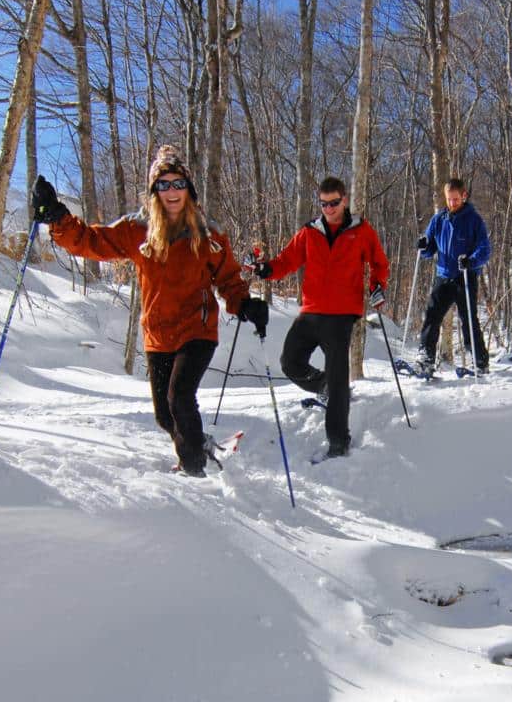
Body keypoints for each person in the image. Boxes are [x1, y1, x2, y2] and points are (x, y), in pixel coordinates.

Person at [33, 145, 267, 477]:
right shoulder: (137, 230)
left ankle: (194, 471)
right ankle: (197, 443)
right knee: (165, 415)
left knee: (180, 398)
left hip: (197, 330)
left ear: (189, 188)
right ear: (154, 191)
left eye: (178, 183)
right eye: (164, 185)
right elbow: (90, 241)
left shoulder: (208, 233)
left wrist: (244, 304)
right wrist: (57, 217)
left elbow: (228, 278)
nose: (172, 192)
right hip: (158, 335)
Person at [254, 176, 389, 459]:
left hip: (341, 314)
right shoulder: (309, 231)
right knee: (290, 362)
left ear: (345, 200)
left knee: (339, 376)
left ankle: (338, 442)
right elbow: (287, 260)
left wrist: (378, 285)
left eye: (334, 203)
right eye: (324, 204)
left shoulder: (361, 230)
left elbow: (379, 263)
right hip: (311, 310)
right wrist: (267, 269)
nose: (329, 209)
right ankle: (323, 385)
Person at [413, 177, 491, 376]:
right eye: (449, 199)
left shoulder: (474, 220)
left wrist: (471, 261)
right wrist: (423, 246)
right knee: (432, 315)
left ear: (464, 196)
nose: (452, 203)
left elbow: (484, 249)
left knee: (468, 319)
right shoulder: (439, 219)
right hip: (444, 276)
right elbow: (429, 247)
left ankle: (479, 361)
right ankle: (427, 358)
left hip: (465, 276)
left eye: (456, 199)